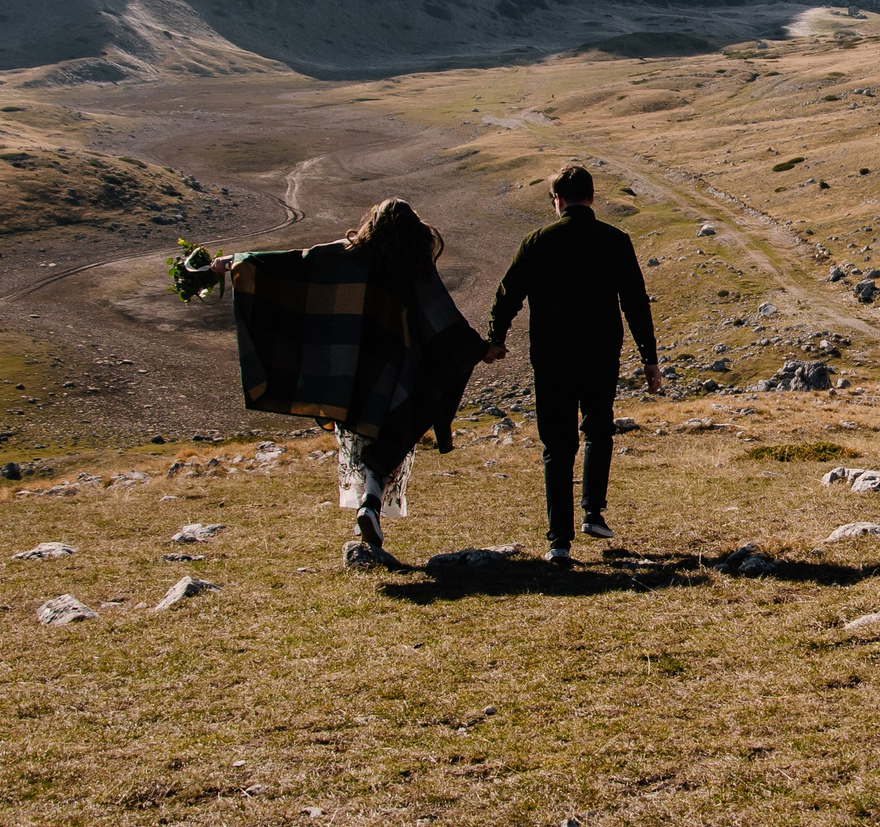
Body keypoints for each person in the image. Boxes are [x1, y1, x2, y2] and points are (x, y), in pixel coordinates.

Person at [212, 198, 485, 566]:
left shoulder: (348, 254)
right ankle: (370, 504)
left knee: (361, 438)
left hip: (354, 367)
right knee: (389, 437)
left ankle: (368, 508)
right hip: (397, 369)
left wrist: (237, 262)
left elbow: (296, 263)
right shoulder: (416, 267)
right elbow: (444, 319)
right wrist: (480, 349)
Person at [483, 164, 660, 564]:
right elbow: (635, 302)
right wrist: (649, 357)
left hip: (552, 356)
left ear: (557, 201)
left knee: (557, 445)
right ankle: (593, 512)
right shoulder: (615, 240)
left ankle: (558, 542)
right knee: (598, 427)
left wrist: (496, 339)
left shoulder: (537, 242)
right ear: (592, 198)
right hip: (600, 352)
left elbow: (507, 294)